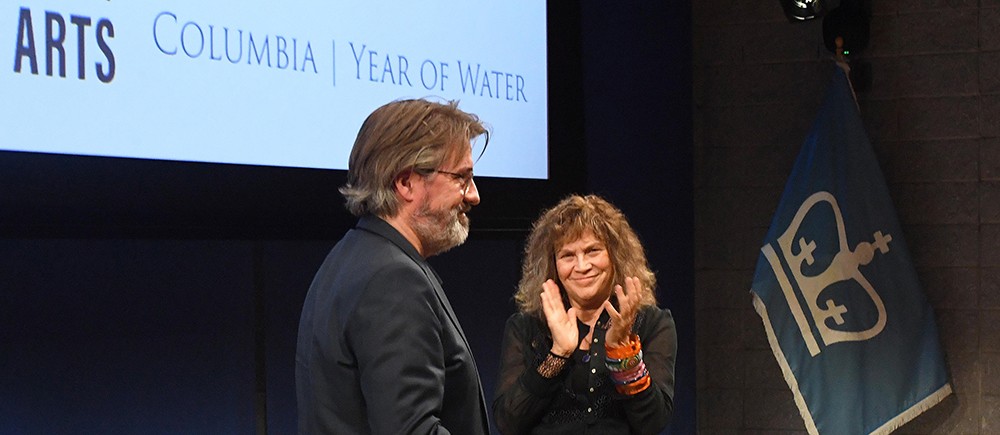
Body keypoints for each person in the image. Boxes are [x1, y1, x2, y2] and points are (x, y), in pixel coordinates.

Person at [295, 98, 491, 434]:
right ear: (406, 183)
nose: (473, 195)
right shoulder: (393, 279)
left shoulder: (351, 257)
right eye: (462, 177)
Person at [493, 194, 676, 434]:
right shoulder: (526, 326)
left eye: (592, 251)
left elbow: (653, 422)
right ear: (553, 265)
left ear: (615, 256)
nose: (581, 266)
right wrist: (557, 354)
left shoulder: (652, 323)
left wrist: (621, 354)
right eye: (567, 255)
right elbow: (508, 422)